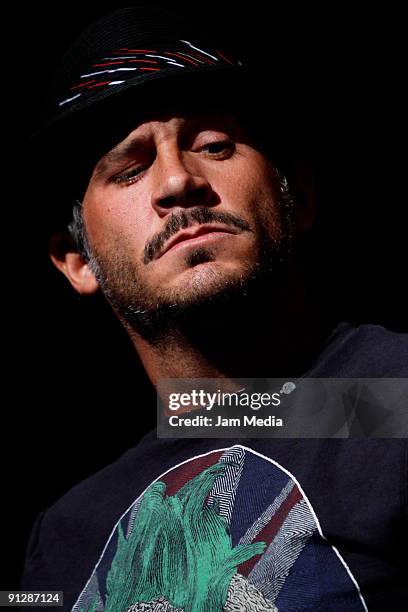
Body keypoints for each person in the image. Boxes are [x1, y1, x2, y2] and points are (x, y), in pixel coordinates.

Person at [21, 6, 407, 611]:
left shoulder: (394, 397)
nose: (178, 180)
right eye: (129, 169)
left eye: (216, 144)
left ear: (297, 195)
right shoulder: (64, 538)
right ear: (77, 260)